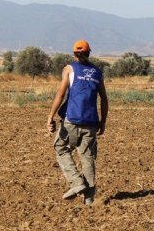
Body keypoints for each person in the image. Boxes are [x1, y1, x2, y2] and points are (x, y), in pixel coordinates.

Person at [46, 40, 108, 205]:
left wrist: (50, 116)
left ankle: (76, 182)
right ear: (89, 53)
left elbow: (60, 95)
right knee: (87, 158)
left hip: (72, 120)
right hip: (91, 122)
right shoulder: (97, 72)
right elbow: (104, 99)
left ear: (74, 54)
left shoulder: (69, 69)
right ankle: (89, 198)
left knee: (60, 147)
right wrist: (103, 122)